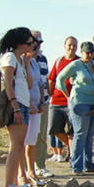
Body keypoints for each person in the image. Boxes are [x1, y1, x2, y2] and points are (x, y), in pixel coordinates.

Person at [57, 41, 94, 176]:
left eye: (91, 52)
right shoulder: (76, 65)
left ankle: (88, 163)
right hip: (80, 101)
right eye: (87, 52)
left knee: (90, 134)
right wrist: (68, 96)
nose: (89, 55)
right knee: (80, 133)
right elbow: (60, 79)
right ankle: (77, 166)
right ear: (81, 53)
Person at [0, 28, 34, 187]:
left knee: (19, 144)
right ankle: (8, 185)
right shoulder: (10, 57)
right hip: (17, 105)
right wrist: (15, 108)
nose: (31, 46)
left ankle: (13, 182)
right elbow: (7, 83)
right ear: (20, 43)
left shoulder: (19, 60)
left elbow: (28, 85)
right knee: (15, 145)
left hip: (24, 103)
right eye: (29, 43)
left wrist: (27, 64)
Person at [18, 36, 48, 187]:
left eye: (37, 48)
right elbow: (23, 85)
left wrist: (42, 102)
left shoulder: (35, 63)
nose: (36, 51)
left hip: (37, 106)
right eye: (34, 48)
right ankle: (21, 174)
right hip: (25, 106)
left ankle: (32, 171)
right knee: (22, 142)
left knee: (32, 140)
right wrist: (28, 104)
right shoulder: (22, 63)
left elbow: (41, 84)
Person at [47, 37, 79, 161]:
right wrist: (49, 94)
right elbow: (51, 79)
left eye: (75, 45)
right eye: (70, 45)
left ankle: (73, 155)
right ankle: (71, 148)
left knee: (72, 131)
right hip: (56, 101)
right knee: (53, 128)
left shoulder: (79, 63)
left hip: (72, 101)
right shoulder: (58, 61)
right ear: (64, 46)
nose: (72, 48)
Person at [31, 32, 54, 178]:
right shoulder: (22, 59)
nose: (38, 45)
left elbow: (45, 80)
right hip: (29, 103)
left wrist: (46, 97)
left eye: (40, 41)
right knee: (28, 136)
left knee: (41, 135)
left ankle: (40, 165)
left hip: (44, 101)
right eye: (35, 41)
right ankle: (27, 167)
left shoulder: (43, 58)